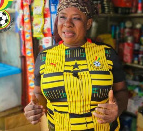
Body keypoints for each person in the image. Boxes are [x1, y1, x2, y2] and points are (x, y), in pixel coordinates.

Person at [24, 0, 128, 130]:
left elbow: (122, 91)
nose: (67, 24)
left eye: (76, 18)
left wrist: (116, 110)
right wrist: (36, 107)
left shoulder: (106, 53)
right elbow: (39, 94)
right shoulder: (44, 57)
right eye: (62, 17)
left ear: (88, 23)